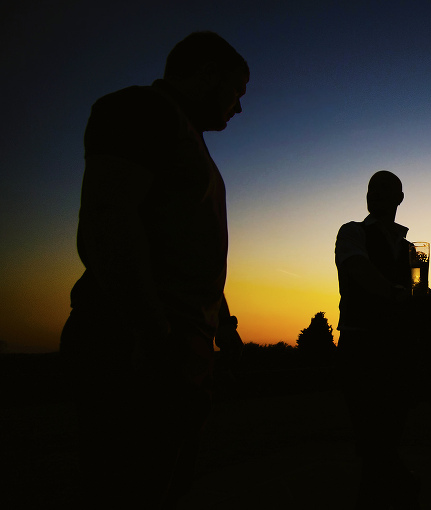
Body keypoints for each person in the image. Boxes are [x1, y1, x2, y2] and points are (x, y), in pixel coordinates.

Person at [60, 31, 248, 509]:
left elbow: (189, 247)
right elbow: (106, 222)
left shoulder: (187, 139)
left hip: (176, 344)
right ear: (207, 74)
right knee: (127, 486)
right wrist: (155, 331)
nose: (239, 107)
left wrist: (220, 328)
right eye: (236, 90)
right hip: (136, 346)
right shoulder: (141, 110)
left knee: (164, 482)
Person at [334, 170, 419, 509]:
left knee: (389, 437)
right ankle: (402, 491)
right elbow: (358, 270)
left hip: (398, 352)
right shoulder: (353, 232)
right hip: (362, 348)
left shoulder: (412, 248)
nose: (377, 194)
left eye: (386, 188)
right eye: (373, 189)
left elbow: (417, 296)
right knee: (372, 444)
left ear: (400, 198)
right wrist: (397, 295)